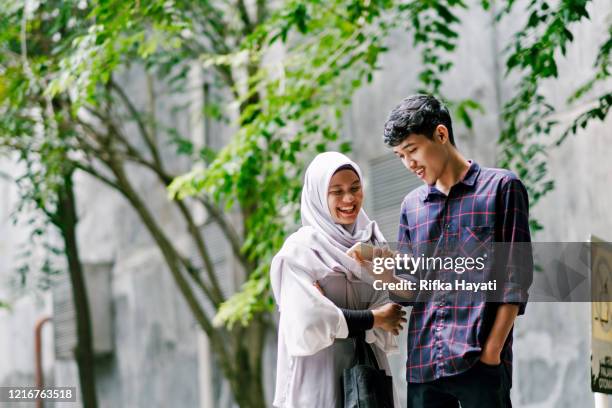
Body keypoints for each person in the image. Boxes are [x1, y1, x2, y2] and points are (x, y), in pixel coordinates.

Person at [380, 94, 533, 407]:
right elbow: (408, 292)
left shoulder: (501, 188)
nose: (409, 164)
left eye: (412, 150)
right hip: (423, 370)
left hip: (479, 362)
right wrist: (375, 269)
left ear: (440, 134)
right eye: (400, 155)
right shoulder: (411, 206)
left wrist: (491, 353)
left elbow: (515, 282)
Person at [271, 152, 406, 408]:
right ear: (319, 196)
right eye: (336, 191)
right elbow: (309, 320)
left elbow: (397, 301)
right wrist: (373, 318)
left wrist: (334, 313)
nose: (349, 198)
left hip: (367, 374)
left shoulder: (371, 244)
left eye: (355, 188)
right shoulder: (301, 251)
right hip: (318, 374)